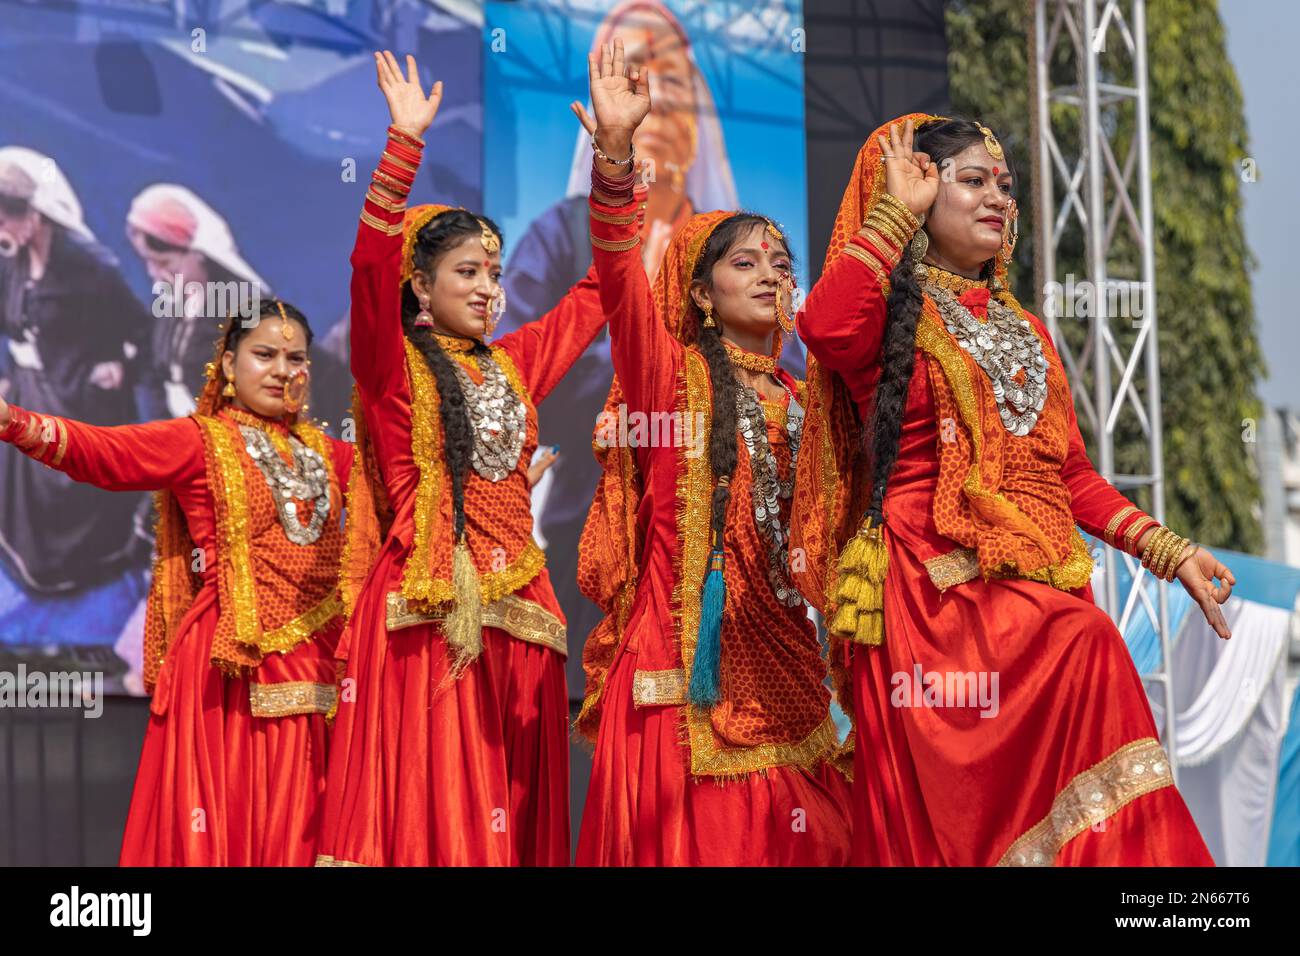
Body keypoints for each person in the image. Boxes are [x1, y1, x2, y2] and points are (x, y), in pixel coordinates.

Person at [792, 114, 1230, 866]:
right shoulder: (895, 319)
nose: (997, 197)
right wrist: (890, 214)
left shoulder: (1027, 327)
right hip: (936, 595)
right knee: (1088, 645)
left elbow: (1069, 474)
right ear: (920, 195)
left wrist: (1170, 551)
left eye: (1005, 185)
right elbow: (825, 328)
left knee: (1086, 662)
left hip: (1029, 586)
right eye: (971, 181)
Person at [315, 52, 607, 867]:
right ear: (419, 287)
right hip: (431, 615)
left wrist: (614, 166)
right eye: (467, 273)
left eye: (496, 274)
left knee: (510, 819)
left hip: (526, 615)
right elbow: (365, 271)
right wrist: (402, 145)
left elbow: (594, 298)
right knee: (434, 820)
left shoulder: (514, 361)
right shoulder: (391, 369)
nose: (489, 290)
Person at [572, 40, 850, 866]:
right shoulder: (673, 383)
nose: (772, 275)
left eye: (782, 263)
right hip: (684, 685)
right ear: (698, 292)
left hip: (794, 676)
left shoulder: (808, 400)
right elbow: (622, 283)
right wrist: (618, 160)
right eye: (745, 263)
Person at [0, 298, 351, 865]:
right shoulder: (200, 441)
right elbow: (107, 454)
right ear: (229, 367)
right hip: (229, 666)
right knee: (227, 825)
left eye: (296, 358)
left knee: (308, 825)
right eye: (264, 355)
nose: (283, 369)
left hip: (314, 663)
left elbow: (400, 491)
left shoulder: (328, 455)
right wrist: (15, 423)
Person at [498, 0, 741, 671]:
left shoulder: (737, 247)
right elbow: (515, 375)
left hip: (726, 534)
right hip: (585, 523)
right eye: (634, 78)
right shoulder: (561, 235)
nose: (656, 100)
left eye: (672, 79)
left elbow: (790, 378)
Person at [0, 147, 152, 594]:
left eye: (6, 216)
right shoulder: (11, 260)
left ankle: (83, 568)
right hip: (32, 388)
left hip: (80, 397)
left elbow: (141, 330)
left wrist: (120, 365)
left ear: (35, 214)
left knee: (71, 485)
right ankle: (33, 565)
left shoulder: (91, 267)